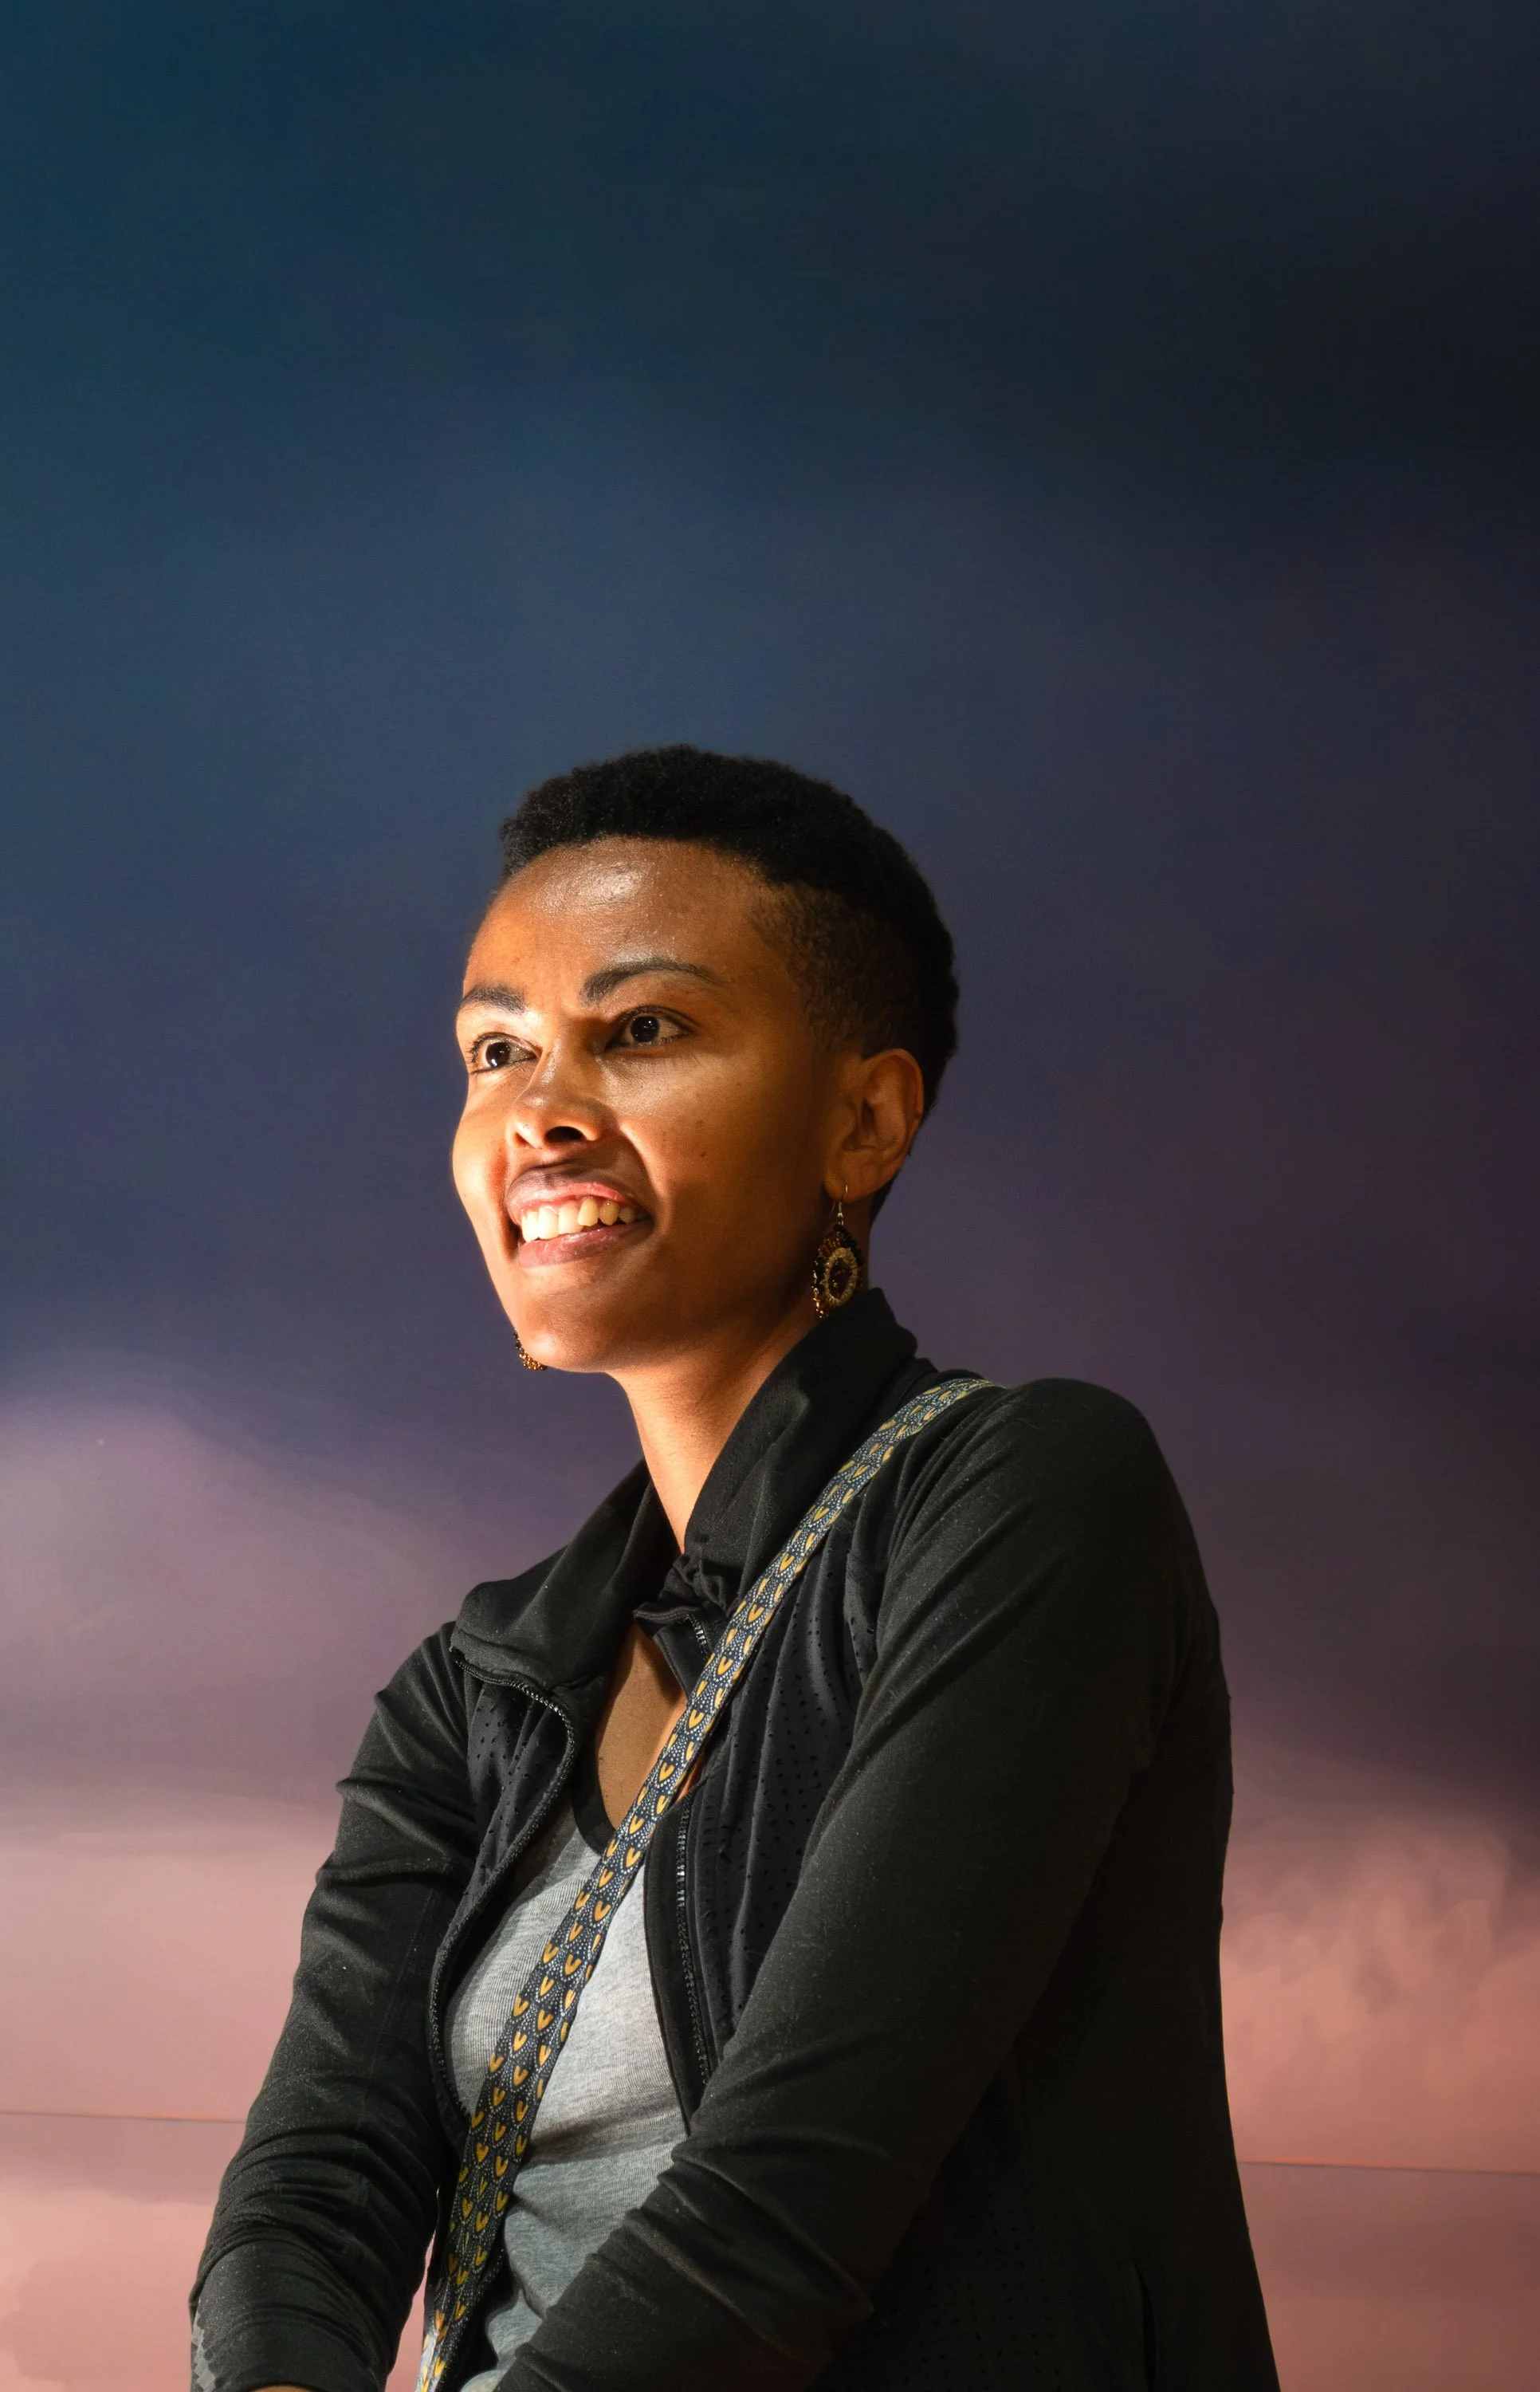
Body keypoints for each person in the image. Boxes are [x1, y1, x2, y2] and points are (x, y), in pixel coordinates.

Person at [191, 744, 1279, 2392]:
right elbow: (315, 2193)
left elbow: (789, 2209)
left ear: (864, 1120)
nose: (539, 1110)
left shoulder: (1030, 1496)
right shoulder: (478, 1687)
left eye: (642, 1032)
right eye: (495, 1050)